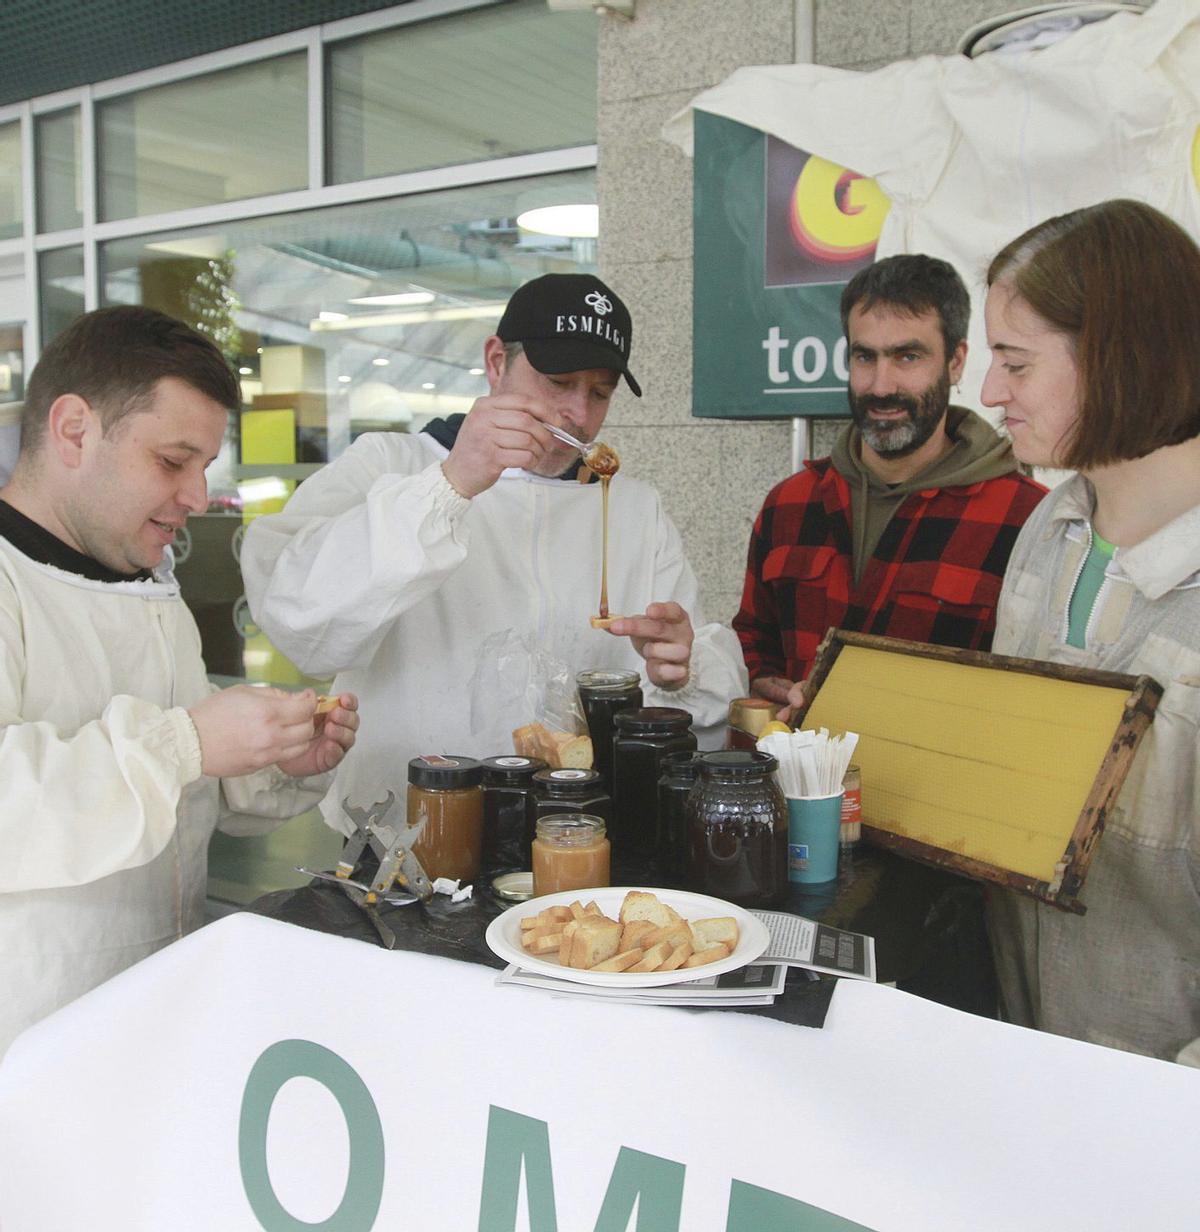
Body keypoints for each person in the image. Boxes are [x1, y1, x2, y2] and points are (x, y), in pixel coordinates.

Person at [240, 273, 747, 836]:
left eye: (599, 393)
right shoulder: (390, 463)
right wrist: (451, 483)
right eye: (558, 381)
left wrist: (680, 670)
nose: (577, 414)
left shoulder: (636, 511)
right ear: (496, 362)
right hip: (396, 837)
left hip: (573, 836)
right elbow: (296, 618)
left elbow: (708, 693)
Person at [0, 306, 359, 1055]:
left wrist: (271, 762)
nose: (198, 497)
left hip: (158, 1015)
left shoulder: (150, 590)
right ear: (73, 430)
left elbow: (182, 792)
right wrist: (185, 741)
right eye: (172, 461)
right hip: (28, 1044)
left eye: (204, 467)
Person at [980, 199, 1200, 1064]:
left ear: (1119, 358)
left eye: (1016, 363)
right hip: (1026, 1047)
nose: (991, 393)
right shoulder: (1050, 529)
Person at [734, 254, 1045, 711]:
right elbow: (752, 648)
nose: (881, 386)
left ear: (956, 362)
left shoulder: (1028, 518)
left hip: (938, 781)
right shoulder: (790, 503)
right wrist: (763, 685)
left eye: (908, 356)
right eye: (865, 356)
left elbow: (1035, 701)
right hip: (797, 779)